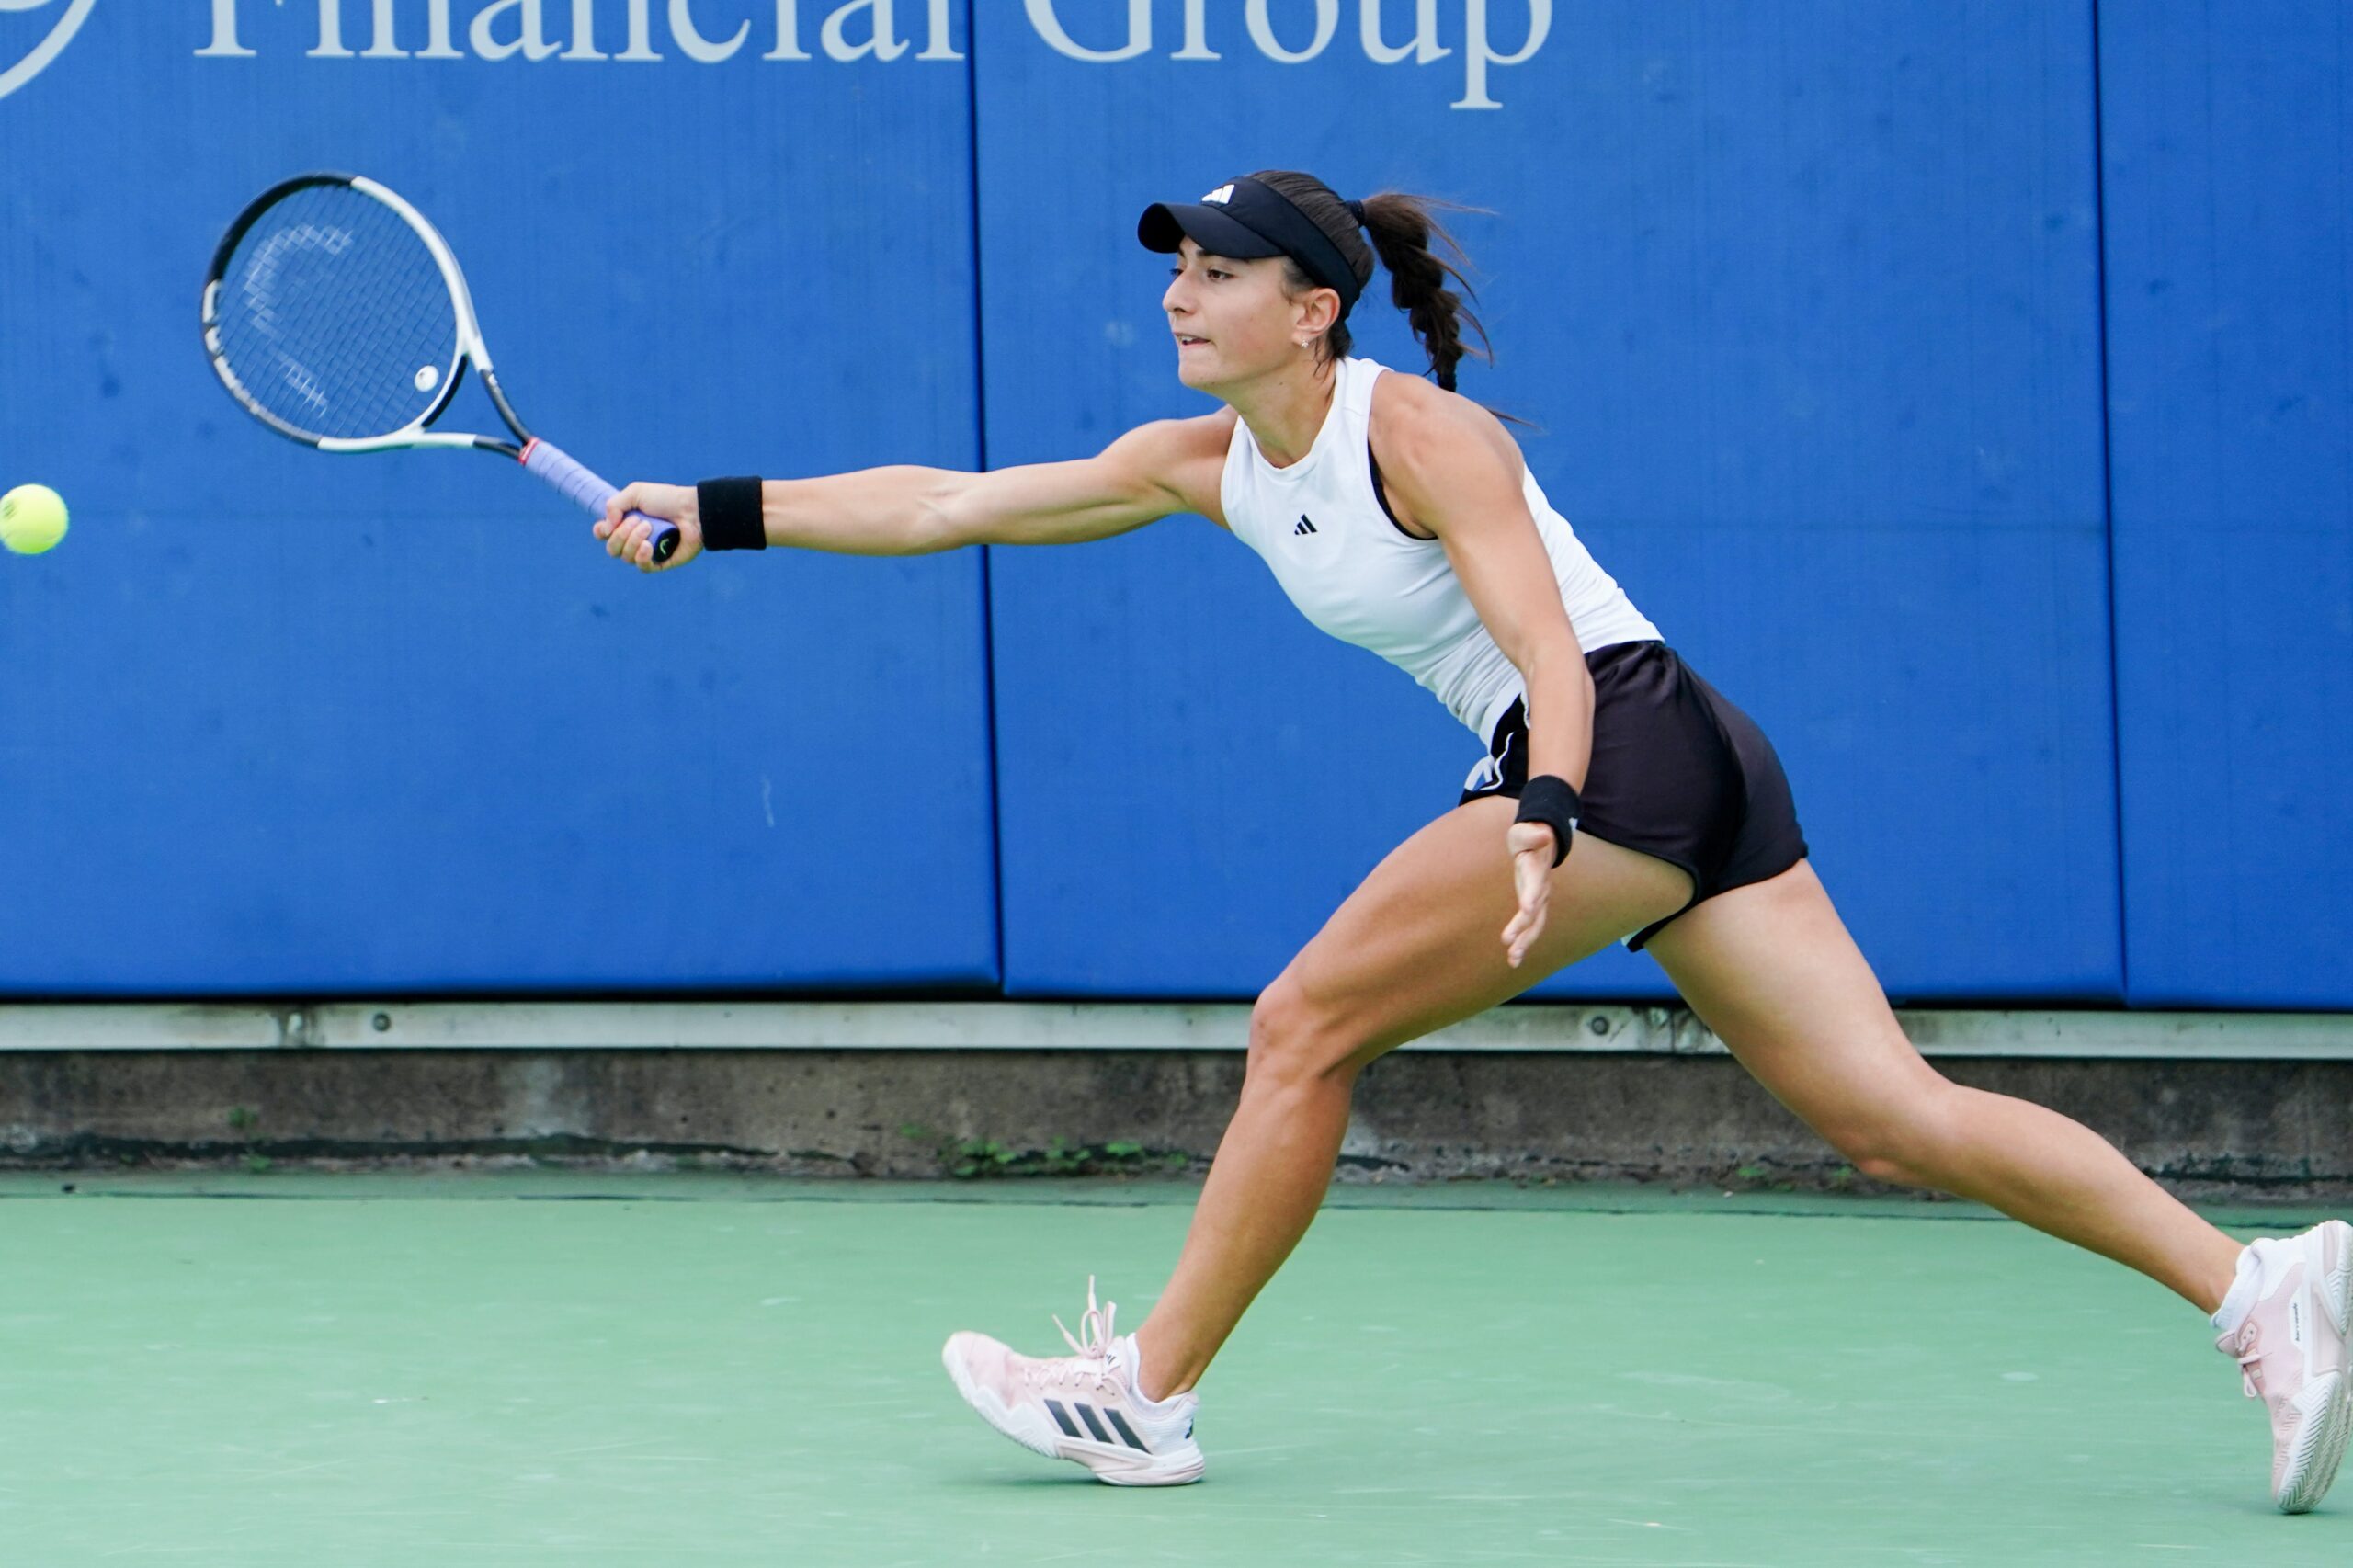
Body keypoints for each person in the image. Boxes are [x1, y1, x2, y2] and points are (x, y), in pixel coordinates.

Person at [596, 170, 2350, 1509]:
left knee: (1304, 1020)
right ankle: (2262, 1286)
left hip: (1623, 743)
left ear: (1314, 310)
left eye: (1218, 272)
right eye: (1176, 268)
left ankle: (1150, 1388)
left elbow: (1541, 648)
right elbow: (943, 503)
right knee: (1893, 1116)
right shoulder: (1201, 459)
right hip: (1686, 760)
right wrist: (716, 510)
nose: (1180, 293)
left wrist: (1546, 809)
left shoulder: (1424, 434)